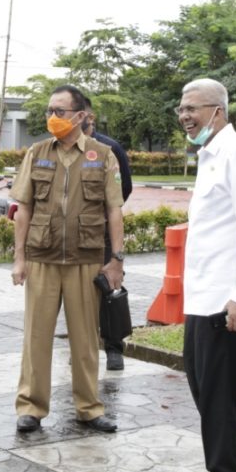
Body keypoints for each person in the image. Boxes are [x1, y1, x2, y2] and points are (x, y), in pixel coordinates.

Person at [173, 78, 236, 472]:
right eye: (181, 109)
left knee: (213, 388)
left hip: (224, 298)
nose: (185, 116)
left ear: (218, 111)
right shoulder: (210, 155)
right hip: (203, 293)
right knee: (204, 381)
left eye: (193, 108)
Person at [10, 85, 124, 434]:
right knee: (37, 337)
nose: (52, 118)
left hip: (86, 259)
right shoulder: (37, 152)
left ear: (80, 116)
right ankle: (31, 406)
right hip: (42, 258)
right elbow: (23, 208)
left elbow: (114, 210)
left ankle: (89, 407)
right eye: (49, 111)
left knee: (86, 339)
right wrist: (19, 259)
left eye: (59, 111)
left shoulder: (103, 155)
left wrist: (116, 259)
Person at [81, 95, 133, 370]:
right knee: (78, 293)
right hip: (74, 235)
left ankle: (114, 348)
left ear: (89, 117)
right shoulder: (60, 149)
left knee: (110, 288)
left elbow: (124, 189)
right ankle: (83, 347)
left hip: (101, 231)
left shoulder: (110, 148)